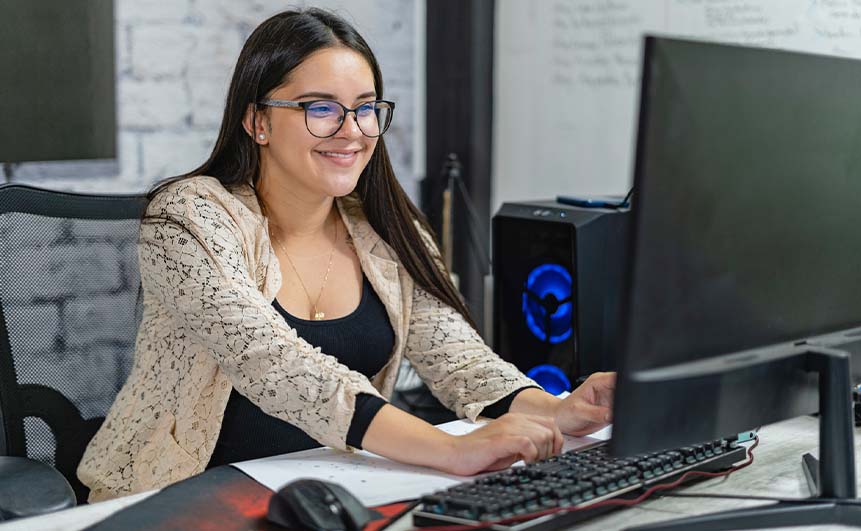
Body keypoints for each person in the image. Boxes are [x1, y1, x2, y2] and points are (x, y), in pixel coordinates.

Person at [77, 7, 615, 502]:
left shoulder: (383, 229)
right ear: (256, 121)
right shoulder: (188, 217)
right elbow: (273, 365)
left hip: (323, 491)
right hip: (172, 495)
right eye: (321, 108)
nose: (352, 131)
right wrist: (450, 450)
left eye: (365, 109)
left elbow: (462, 362)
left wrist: (561, 411)